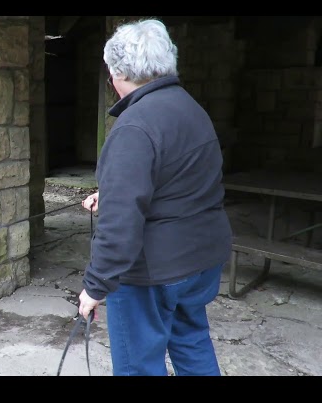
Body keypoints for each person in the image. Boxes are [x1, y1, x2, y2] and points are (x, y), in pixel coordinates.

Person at [78, 19, 232, 376]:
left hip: (156, 271)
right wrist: (114, 190)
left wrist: (96, 286)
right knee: (191, 342)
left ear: (118, 73)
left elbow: (120, 224)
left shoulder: (134, 125)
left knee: (138, 365)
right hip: (202, 260)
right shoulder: (191, 107)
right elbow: (181, 176)